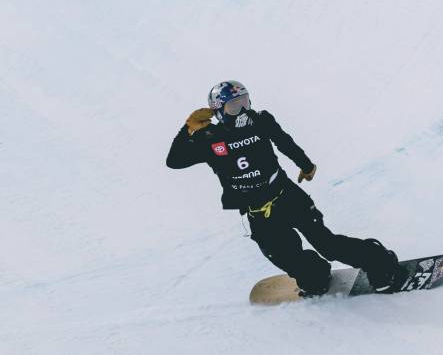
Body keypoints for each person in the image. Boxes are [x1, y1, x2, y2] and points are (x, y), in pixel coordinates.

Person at [166, 80, 404, 295]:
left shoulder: (260, 121)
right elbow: (174, 161)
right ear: (219, 111)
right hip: (259, 213)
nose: (243, 111)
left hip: (288, 197)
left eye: (245, 102)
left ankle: (382, 264)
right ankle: (316, 276)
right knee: (284, 255)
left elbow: (284, 142)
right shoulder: (209, 139)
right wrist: (188, 129)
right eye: (234, 106)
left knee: (327, 244)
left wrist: (306, 165)